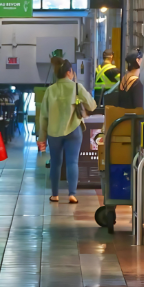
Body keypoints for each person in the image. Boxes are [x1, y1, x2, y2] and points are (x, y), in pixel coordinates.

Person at [37, 59, 96, 204]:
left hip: (53, 132)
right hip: (73, 130)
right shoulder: (76, 87)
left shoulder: (50, 90)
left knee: (56, 163)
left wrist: (41, 137)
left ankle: (55, 195)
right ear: (69, 72)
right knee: (72, 162)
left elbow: (43, 116)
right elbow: (92, 106)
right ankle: (72, 194)